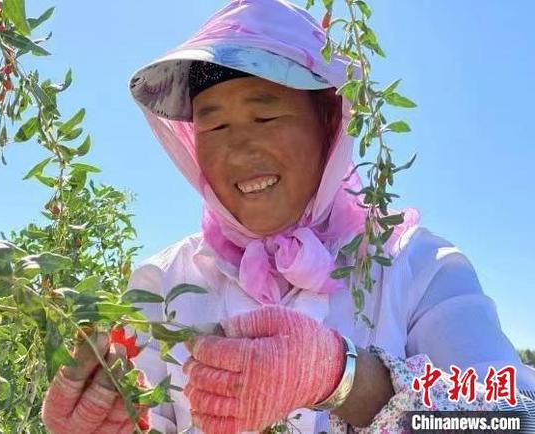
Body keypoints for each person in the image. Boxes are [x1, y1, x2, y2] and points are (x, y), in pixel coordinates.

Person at [41, 1, 535, 433]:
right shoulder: (163, 286)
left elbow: (514, 418)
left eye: (266, 115)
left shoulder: (418, 267)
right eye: (214, 124)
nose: (238, 149)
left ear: (328, 124)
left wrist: (344, 380)